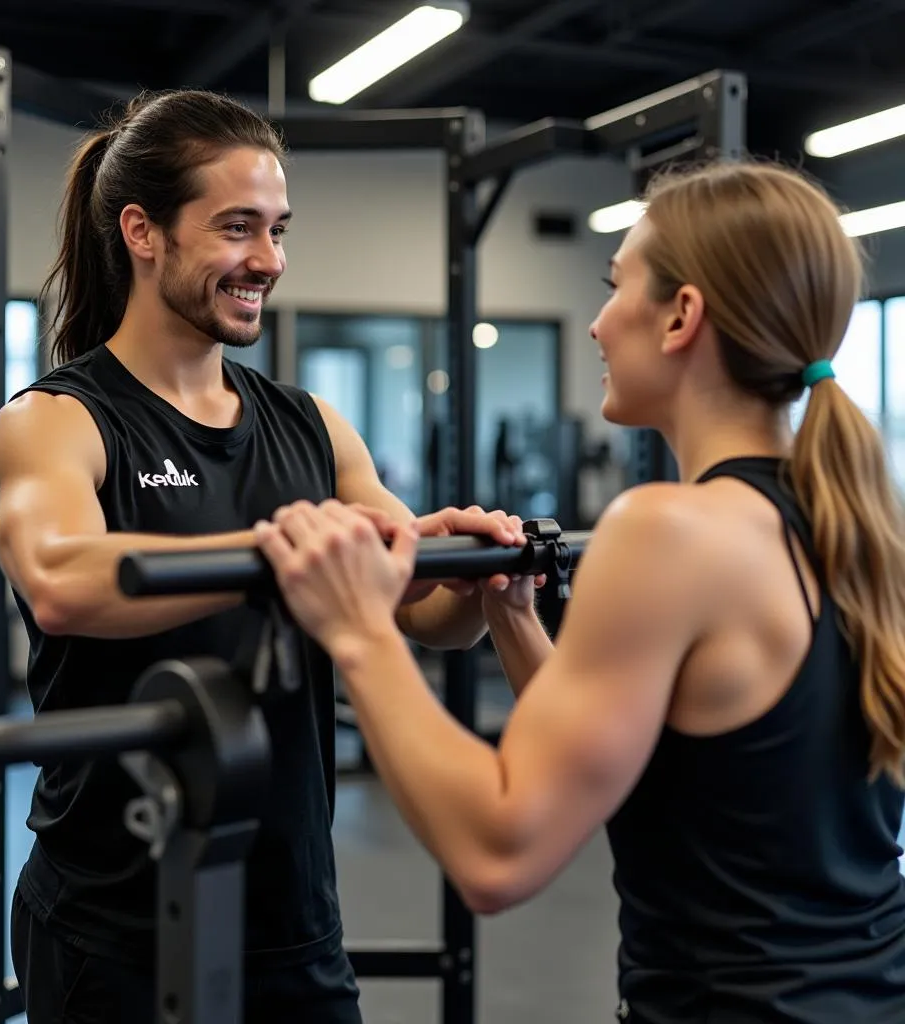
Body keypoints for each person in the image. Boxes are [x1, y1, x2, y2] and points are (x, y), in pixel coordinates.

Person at [255, 160, 905, 1024]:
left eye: (615, 287)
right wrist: (515, 621)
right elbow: (667, 778)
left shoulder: (668, 531)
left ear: (681, 317)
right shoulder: (852, 523)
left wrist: (359, 630)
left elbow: (497, 853)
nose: (596, 324)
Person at [0, 88, 523, 1024]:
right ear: (142, 232)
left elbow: (425, 616)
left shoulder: (311, 426)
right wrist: (292, 547)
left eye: (278, 230)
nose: (268, 261)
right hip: (113, 926)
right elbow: (60, 579)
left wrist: (476, 573)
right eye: (238, 228)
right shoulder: (57, 421)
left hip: (292, 921)